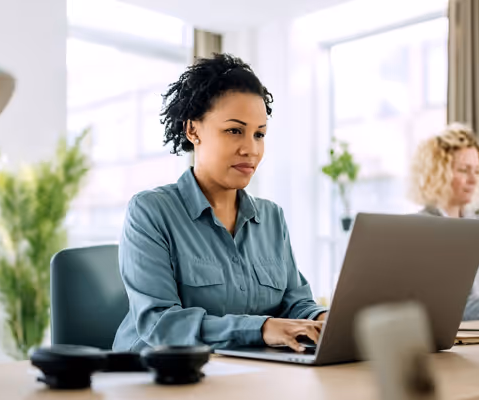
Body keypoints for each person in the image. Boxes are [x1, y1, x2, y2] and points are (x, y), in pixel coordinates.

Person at [113, 54, 327, 353]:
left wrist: (324, 320)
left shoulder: (271, 217)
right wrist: (261, 328)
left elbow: (295, 302)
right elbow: (160, 324)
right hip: (157, 378)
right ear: (193, 130)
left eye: (259, 134)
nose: (250, 149)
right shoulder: (151, 211)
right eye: (234, 131)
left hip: (244, 374)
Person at [409, 123, 479, 320]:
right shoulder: (423, 228)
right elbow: (446, 304)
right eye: (464, 170)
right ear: (438, 172)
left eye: (477, 170)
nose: (473, 179)